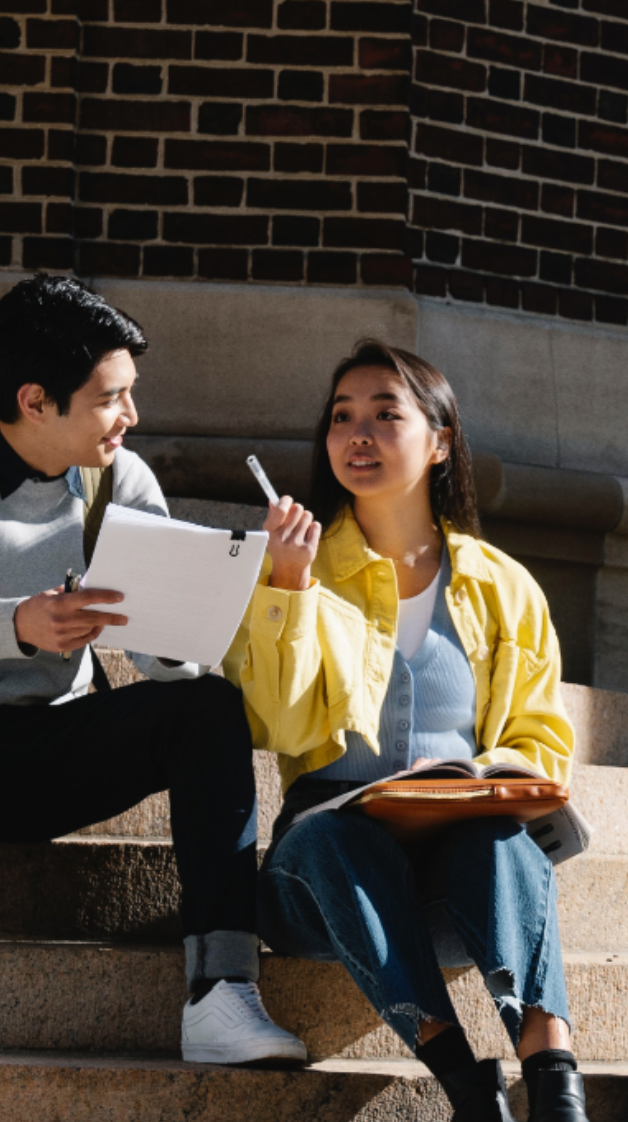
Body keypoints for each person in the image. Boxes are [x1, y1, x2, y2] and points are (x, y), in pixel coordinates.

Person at [0, 275, 305, 1067]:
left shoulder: (121, 482)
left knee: (207, 707)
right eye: (112, 398)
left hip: (42, 760)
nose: (132, 418)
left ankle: (221, 992)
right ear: (36, 399)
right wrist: (19, 622)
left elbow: (158, 657)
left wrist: (221, 602)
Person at [224, 339, 589, 1122]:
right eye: (342, 417)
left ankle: (554, 1078)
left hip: (457, 877)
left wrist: (471, 783)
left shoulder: (502, 587)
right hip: (326, 885)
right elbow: (277, 723)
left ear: (441, 441)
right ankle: (464, 1082)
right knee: (332, 837)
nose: (358, 434)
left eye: (386, 415)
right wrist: (286, 589)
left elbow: (541, 741)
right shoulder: (299, 569)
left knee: (499, 840)